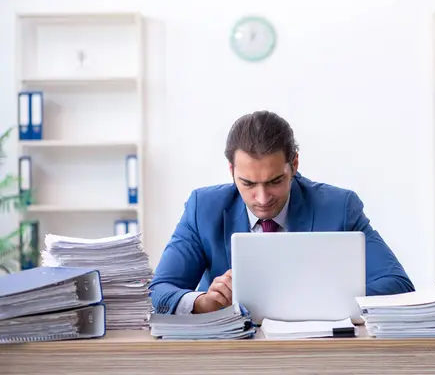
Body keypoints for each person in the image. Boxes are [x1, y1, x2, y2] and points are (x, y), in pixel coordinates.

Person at [148, 110, 415, 315]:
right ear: (232, 171)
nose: (262, 199)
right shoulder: (203, 208)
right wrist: (202, 302)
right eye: (248, 184)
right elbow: (158, 292)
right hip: (233, 355)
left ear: (294, 164)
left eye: (275, 181)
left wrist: (323, 297)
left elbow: (398, 285)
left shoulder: (338, 207)